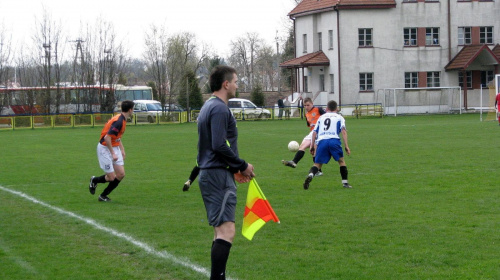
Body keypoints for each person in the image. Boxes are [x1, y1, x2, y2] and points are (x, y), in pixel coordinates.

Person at [197, 65, 255, 280]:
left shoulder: (207, 106)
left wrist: (233, 169)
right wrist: (242, 165)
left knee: (219, 231)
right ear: (226, 84)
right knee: (227, 232)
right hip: (217, 175)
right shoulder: (220, 108)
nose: (238, 85)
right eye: (236, 81)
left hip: (213, 173)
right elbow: (219, 145)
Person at [89, 100, 135, 202]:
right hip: (105, 148)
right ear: (130, 109)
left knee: (121, 174)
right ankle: (94, 180)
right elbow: (107, 138)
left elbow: (116, 136)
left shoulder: (122, 119)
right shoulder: (119, 121)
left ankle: (103, 196)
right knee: (111, 177)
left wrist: (122, 149)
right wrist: (113, 153)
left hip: (114, 146)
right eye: (133, 109)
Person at [303, 100, 352, 190]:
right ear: (336, 108)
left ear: (327, 108)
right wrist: (346, 146)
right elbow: (343, 131)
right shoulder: (339, 117)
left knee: (317, 164)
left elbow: (314, 132)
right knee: (341, 161)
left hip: (322, 141)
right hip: (334, 140)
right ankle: (345, 183)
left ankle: (310, 175)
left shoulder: (321, 118)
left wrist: (312, 146)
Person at [282, 97, 325, 174]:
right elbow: (310, 125)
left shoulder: (318, 109)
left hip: (319, 132)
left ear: (312, 104)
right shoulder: (307, 114)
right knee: (302, 146)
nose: (306, 107)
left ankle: (318, 170)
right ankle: (294, 162)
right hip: (312, 133)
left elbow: (327, 117)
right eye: (304, 105)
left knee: (314, 150)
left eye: (308, 105)